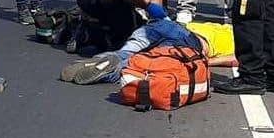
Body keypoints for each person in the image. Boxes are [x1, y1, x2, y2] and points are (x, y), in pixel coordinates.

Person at [58, 18, 237, 85]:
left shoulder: (226, 27)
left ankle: (100, 60)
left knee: (126, 52)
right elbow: (237, 59)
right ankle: (108, 72)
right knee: (142, 66)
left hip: (167, 25)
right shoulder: (247, 40)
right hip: (189, 41)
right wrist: (205, 62)